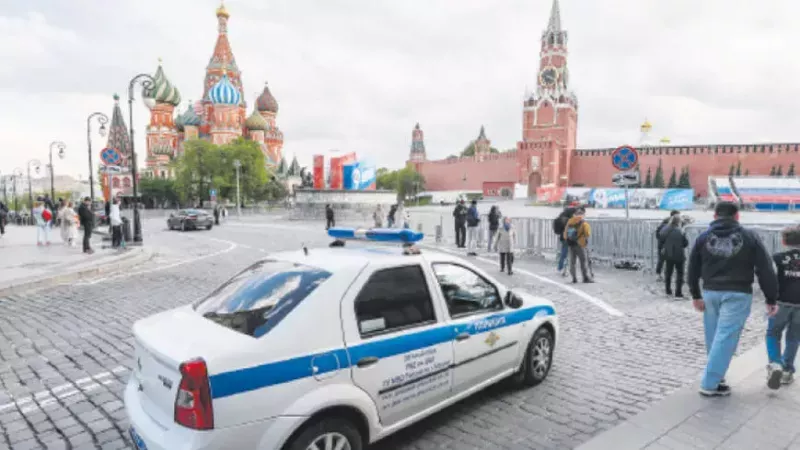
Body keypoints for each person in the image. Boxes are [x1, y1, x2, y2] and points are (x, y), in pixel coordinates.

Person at [688, 201, 778, 397]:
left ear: (714, 216)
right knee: (725, 337)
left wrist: (695, 294)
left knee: (713, 337)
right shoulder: (750, 237)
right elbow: (765, 269)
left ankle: (718, 378)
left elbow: (692, 267)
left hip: (711, 293)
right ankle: (709, 383)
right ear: (737, 216)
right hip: (738, 292)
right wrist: (771, 298)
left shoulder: (703, 238)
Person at [764, 226, 800, 389]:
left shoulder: (777, 258)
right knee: (793, 337)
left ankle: (775, 363)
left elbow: (770, 280)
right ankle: (787, 371)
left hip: (781, 302)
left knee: (773, 333)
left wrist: (770, 299)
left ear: (784, 241)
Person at [659, 214, 689, 298]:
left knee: (668, 272)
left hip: (669, 253)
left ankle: (668, 290)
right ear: (679, 222)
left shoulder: (665, 229)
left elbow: (661, 238)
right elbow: (685, 243)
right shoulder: (680, 231)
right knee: (680, 273)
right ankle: (678, 292)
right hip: (679, 255)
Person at [563, 208, 593, 283]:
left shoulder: (570, 222)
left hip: (571, 244)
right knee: (583, 261)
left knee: (572, 262)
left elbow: (565, 235)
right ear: (582, 215)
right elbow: (587, 234)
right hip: (580, 244)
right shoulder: (584, 223)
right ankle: (585, 278)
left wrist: (568, 239)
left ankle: (574, 278)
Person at [655, 210, 681, 281]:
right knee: (664, 261)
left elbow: (658, 234)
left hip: (664, 245)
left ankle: (661, 275)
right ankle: (661, 275)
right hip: (665, 246)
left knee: (663, 260)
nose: (679, 217)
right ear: (673, 216)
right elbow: (659, 234)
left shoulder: (666, 223)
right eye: (678, 215)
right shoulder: (667, 224)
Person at [553, 206, 577, 276]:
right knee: (568, 254)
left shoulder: (561, 217)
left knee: (564, 254)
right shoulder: (569, 219)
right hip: (569, 238)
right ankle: (565, 270)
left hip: (563, 238)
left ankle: (561, 268)